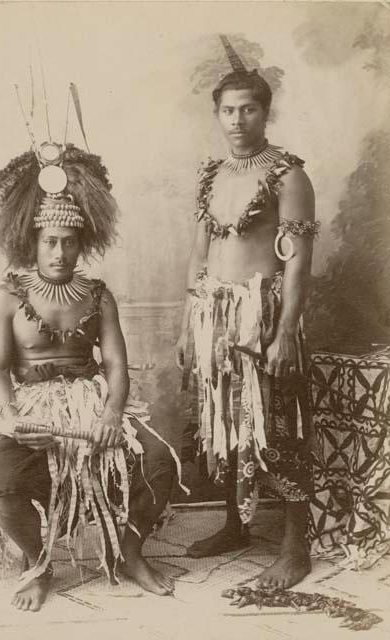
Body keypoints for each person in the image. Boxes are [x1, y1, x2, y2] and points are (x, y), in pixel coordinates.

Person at [0, 104, 183, 610]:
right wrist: (11, 417)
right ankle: (36, 563)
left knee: (159, 464)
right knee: (5, 485)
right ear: (33, 242)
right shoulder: (6, 296)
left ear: (81, 243)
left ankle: (130, 552)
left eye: (69, 243)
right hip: (29, 408)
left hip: (92, 404)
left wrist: (112, 413)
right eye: (50, 242)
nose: (60, 253)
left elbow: (114, 364)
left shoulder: (98, 294)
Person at [176, 36, 319, 590]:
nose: (238, 121)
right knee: (225, 423)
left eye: (249, 109)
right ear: (217, 114)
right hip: (215, 319)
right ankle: (235, 524)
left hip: (264, 319)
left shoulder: (288, 176)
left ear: (266, 112)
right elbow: (198, 255)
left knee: (276, 427)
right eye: (228, 111)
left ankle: (294, 547)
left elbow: (300, 263)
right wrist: (191, 325)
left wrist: (285, 334)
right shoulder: (212, 176)